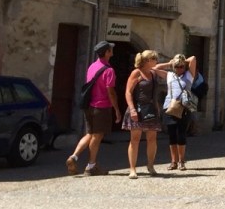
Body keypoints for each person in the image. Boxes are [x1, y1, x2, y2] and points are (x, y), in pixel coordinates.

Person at [66, 41, 121, 176]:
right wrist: (117, 109)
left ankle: (74, 157)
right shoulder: (109, 70)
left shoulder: (92, 67)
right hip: (101, 107)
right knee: (97, 136)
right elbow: (110, 91)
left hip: (89, 106)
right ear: (107, 52)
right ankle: (91, 166)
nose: (112, 51)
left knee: (90, 134)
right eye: (110, 49)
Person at [122, 50, 164, 178]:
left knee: (152, 138)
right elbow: (128, 92)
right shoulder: (136, 73)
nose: (156, 61)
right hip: (137, 109)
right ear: (147, 60)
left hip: (151, 109)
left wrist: (157, 108)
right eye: (154, 59)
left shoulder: (153, 73)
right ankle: (132, 169)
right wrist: (132, 109)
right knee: (135, 139)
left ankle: (150, 166)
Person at [161, 53, 197, 171]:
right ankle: (173, 161)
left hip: (184, 108)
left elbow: (193, 58)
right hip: (170, 107)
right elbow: (154, 68)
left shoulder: (188, 75)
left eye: (181, 66)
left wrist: (181, 60)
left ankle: (182, 161)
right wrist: (170, 63)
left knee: (181, 134)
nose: (179, 69)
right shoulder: (169, 75)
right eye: (177, 66)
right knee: (172, 135)